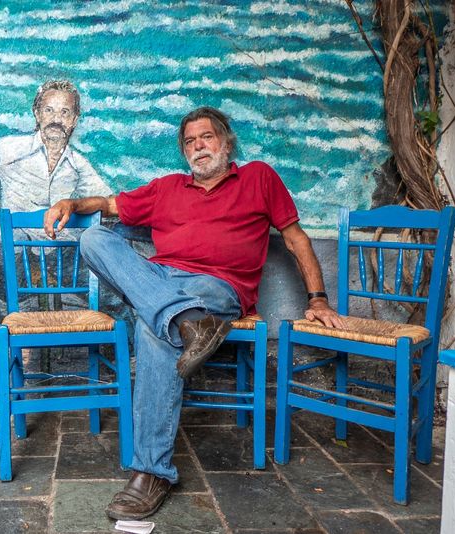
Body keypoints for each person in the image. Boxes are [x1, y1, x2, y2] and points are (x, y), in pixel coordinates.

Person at [43, 107, 345, 521]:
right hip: (163, 277)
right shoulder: (167, 188)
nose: (198, 146)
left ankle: (151, 472)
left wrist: (318, 298)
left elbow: (295, 239)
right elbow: (109, 205)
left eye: (206, 137)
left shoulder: (259, 177)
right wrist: (70, 201)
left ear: (225, 142)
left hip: (218, 285)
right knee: (94, 238)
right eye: (189, 141)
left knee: (154, 325)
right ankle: (188, 322)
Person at [0, 80, 112, 279]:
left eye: (65, 112)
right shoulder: (8, 148)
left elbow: (109, 201)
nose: (56, 119)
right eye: (49, 110)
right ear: (37, 113)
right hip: (16, 248)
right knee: (14, 247)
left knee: (108, 287)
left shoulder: (78, 164)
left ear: (74, 119)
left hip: (58, 250)